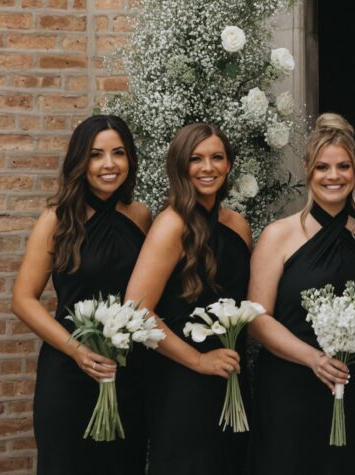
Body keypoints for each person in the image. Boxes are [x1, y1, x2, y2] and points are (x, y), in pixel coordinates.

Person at [13, 115, 150, 475]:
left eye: (118, 153)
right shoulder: (57, 219)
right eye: (96, 154)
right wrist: (77, 350)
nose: (109, 164)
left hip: (127, 372)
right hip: (69, 370)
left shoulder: (140, 216)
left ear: (130, 160)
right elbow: (23, 299)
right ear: (80, 161)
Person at [249, 113, 355, 473]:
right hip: (290, 388)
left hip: (353, 387)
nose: (333, 176)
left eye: (343, 166)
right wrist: (313, 359)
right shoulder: (279, 235)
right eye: (322, 167)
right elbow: (257, 319)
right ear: (307, 169)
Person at [125, 123, 252, 475]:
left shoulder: (238, 225)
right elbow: (136, 309)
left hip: (231, 373)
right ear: (180, 166)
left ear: (229, 165)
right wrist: (198, 361)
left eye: (217, 157)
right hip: (182, 378)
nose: (207, 167)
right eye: (196, 159)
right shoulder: (171, 224)